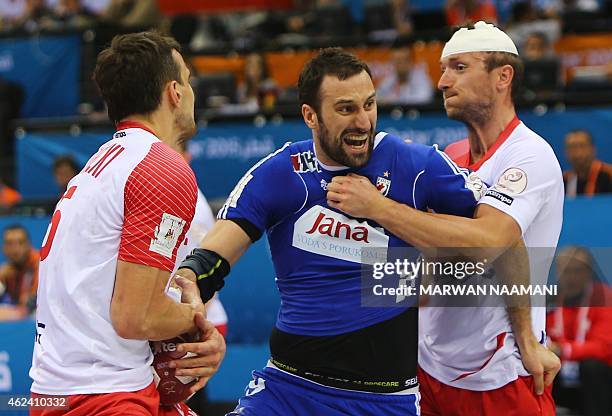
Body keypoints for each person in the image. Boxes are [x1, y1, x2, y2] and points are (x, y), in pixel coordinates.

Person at [174, 47, 486, 415]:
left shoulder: (417, 167)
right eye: (346, 109)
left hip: (384, 401)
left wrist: (382, 210)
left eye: (369, 105)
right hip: (287, 391)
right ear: (310, 115)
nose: (363, 122)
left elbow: (493, 239)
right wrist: (190, 286)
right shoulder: (282, 173)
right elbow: (212, 257)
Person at [327, 21, 563, 415]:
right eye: (441, 69)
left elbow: (491, 242)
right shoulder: (450, 158)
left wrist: (378, 207)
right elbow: (431, 260)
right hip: (429, 370)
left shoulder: (529, 155)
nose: (442, 82)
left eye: (458, 67)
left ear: (503, 77)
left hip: (499, 375)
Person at [29, 31, 225, 416]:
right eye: (187, 80)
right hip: (105, 397)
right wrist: (198, 323)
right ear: (174, 92)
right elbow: (136, 316)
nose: (191, 91)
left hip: (64, 389)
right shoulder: (162, 168)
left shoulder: (101, 166)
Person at [547, 246, 612, 416]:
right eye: (566, 271)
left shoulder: (604, 298)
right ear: (558, 271)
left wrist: (563, 349)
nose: (571, 278)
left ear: (589, 272)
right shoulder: (549, 302)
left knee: (593, 367)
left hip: (598, 382)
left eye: (577, 271)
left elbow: (604, 348)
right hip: (561, 376)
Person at [377, 38, 435, 105]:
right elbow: (377, 96)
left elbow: (423, 99)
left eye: (404, 60)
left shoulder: (422, 79)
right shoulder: (389, 79)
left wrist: (391, 101)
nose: (401, 65)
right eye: (397, 61)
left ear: (411, 60)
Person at [0, 224, 38, 320]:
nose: (15, 249)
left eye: (20, 243)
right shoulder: (7, 271)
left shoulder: (40, 264)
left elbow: (34, 304)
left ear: (29, 245)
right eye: (10, 244)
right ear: (3, 248)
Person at [563, 129, 612, 197]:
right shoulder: (564, 181)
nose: (578, 153)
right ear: (566, 152)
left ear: (593, 149)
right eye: (572, 147)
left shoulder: (609, 174)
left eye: (582, 146)